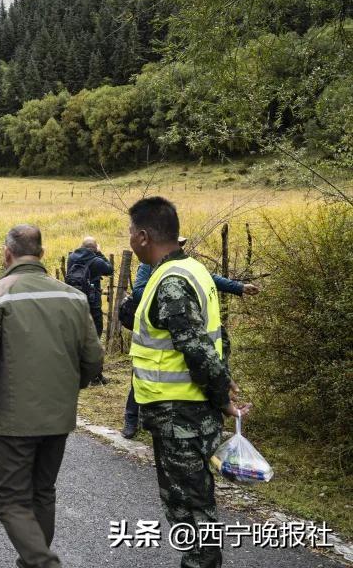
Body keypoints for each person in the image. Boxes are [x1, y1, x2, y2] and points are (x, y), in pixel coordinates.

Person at [0, 224, 103, 568]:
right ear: (43, 254)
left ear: (7, 254)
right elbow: (93, 360)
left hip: (15, 418)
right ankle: (32, 560)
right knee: (43, 492)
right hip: (59, 415)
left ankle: (42, 562)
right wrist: (66, 389)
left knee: (10, 500)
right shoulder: (74, 297)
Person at [126, 197, 250, 568]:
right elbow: (218, 338)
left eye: (132, 232)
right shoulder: (191, 269)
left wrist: (221, 395)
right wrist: (221, 386)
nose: (130, 240)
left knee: (190, 505)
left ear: (145, 236)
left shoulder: (172, 282)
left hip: (182, 414)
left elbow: (197, 347)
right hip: (184, 411)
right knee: (195, 498)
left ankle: (201, 563)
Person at [120, 236, 261, 439]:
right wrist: (169, 291)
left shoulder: (188, 267)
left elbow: (209, 278)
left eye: (181, 243)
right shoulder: (150, 267)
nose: (179, 247)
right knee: (145, 376)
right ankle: (131, 420)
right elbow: (139, 292)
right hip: (161, 332)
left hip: (179, 330)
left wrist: (237, 287)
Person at [66, 237, 114, 339]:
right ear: (95, 248)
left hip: (74, 297)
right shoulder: (97, 261)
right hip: (92, 299)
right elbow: (109, 270)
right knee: (96, 325)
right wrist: (100, 253)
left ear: (81, 246)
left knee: (77, 324)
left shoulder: (71, 258)